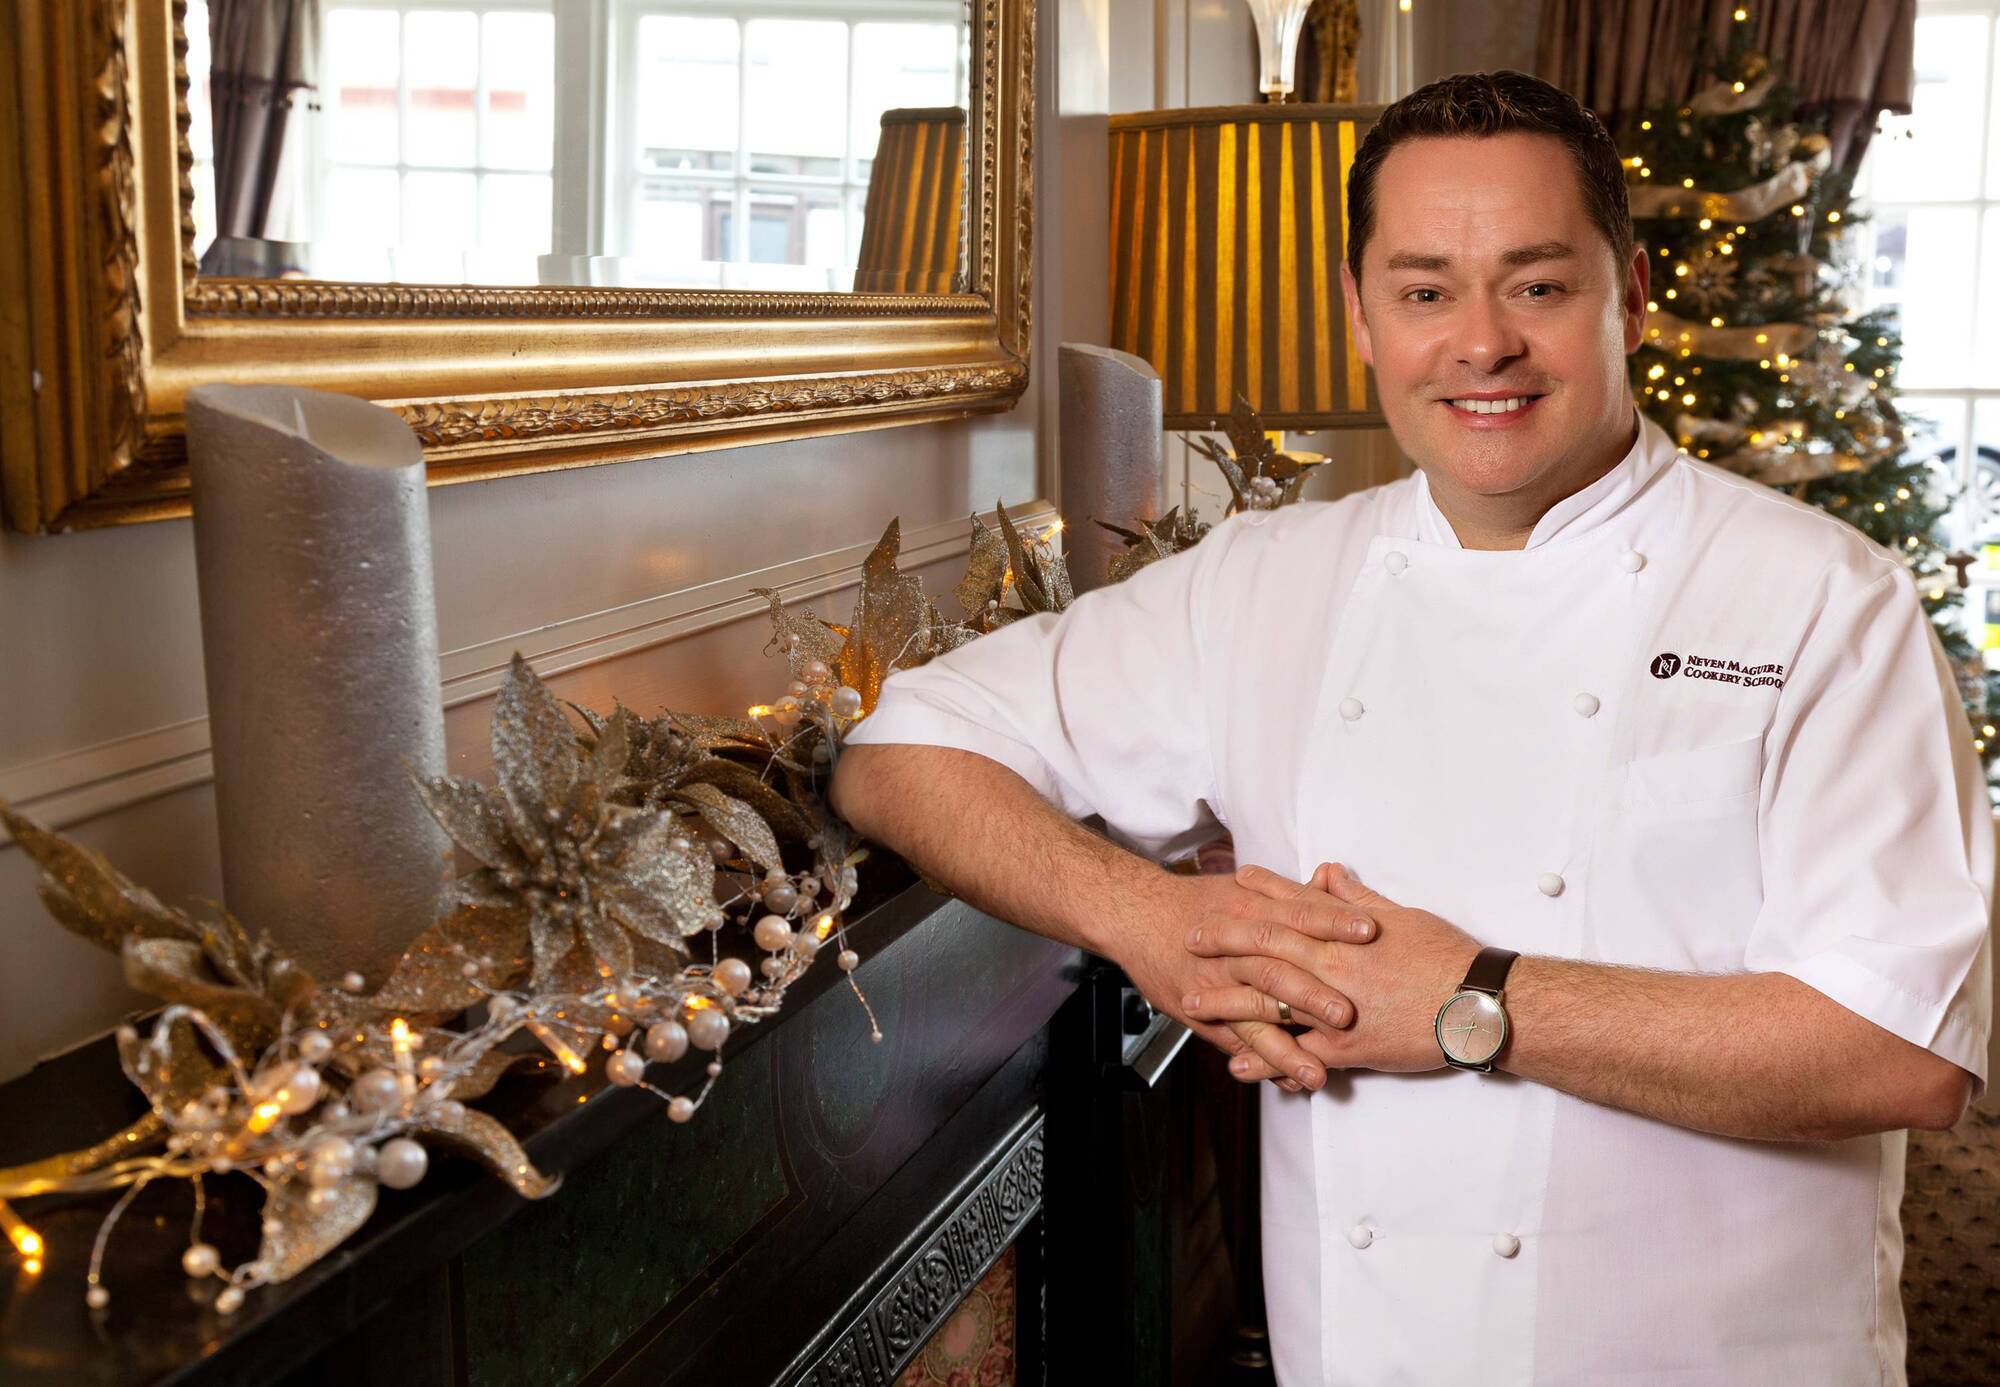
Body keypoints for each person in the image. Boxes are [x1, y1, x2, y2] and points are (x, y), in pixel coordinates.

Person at [829, 71, 1992, 1384]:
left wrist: (1470, 1000)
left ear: (1629, 295)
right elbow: (899, 751)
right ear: (1362, 315)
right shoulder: (1263, 580)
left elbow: (1901, 1053)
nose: (1482, 345)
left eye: (1537, 285)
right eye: (1426, 292)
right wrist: (1149, 921)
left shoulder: (1824, 598)